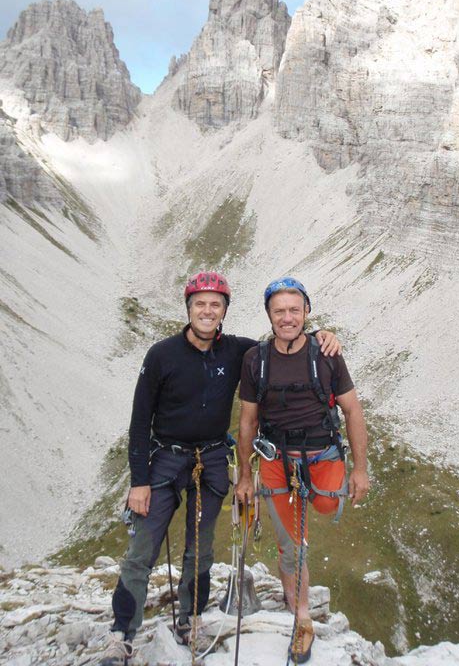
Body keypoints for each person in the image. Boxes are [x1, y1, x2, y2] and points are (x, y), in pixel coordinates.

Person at [99, 271, 341, 666]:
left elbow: (283, 342)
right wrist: (138, 481)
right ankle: (121, 632)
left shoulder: (237, 351)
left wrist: (320, 336)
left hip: (210, 459)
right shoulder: (161, 355)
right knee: (142, 547)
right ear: (189, 309)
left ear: (224, 310)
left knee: (201, 548)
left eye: (215, 304)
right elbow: (139, 420)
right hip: (165, 459)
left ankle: (189, 618)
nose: (208, 311)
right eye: (200, 304)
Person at [235, 277, 370, 664]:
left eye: (295, 310)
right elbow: (247, 421)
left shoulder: (326, 353)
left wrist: (360, 470)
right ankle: (302, 618)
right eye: (279, 311)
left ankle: (311, 510)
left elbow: (352, 410)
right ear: (269, 316)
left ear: (307, 312)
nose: (287, 317)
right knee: (291, 548)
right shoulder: (255, 360)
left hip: (322, 455)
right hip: (276, 461)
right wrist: (245, 475)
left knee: (329, 506)